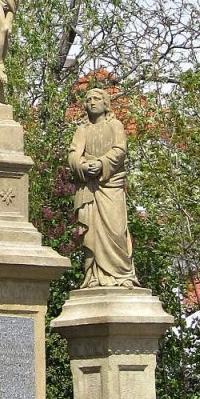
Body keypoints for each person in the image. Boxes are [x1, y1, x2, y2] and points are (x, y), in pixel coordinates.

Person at [69, 88, 138, 287]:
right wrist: (82, 165)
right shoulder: (82, 129)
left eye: (97, 99)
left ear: (105, 103)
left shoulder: (115, 125)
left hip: (110, 185)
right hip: (90, 187)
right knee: (92, 233)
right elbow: (73, 154)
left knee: (116, 230)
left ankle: (122, 275)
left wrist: (101, 163)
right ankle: (95, 276)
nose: (92, 102)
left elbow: (120, 149)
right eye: (88, 99)